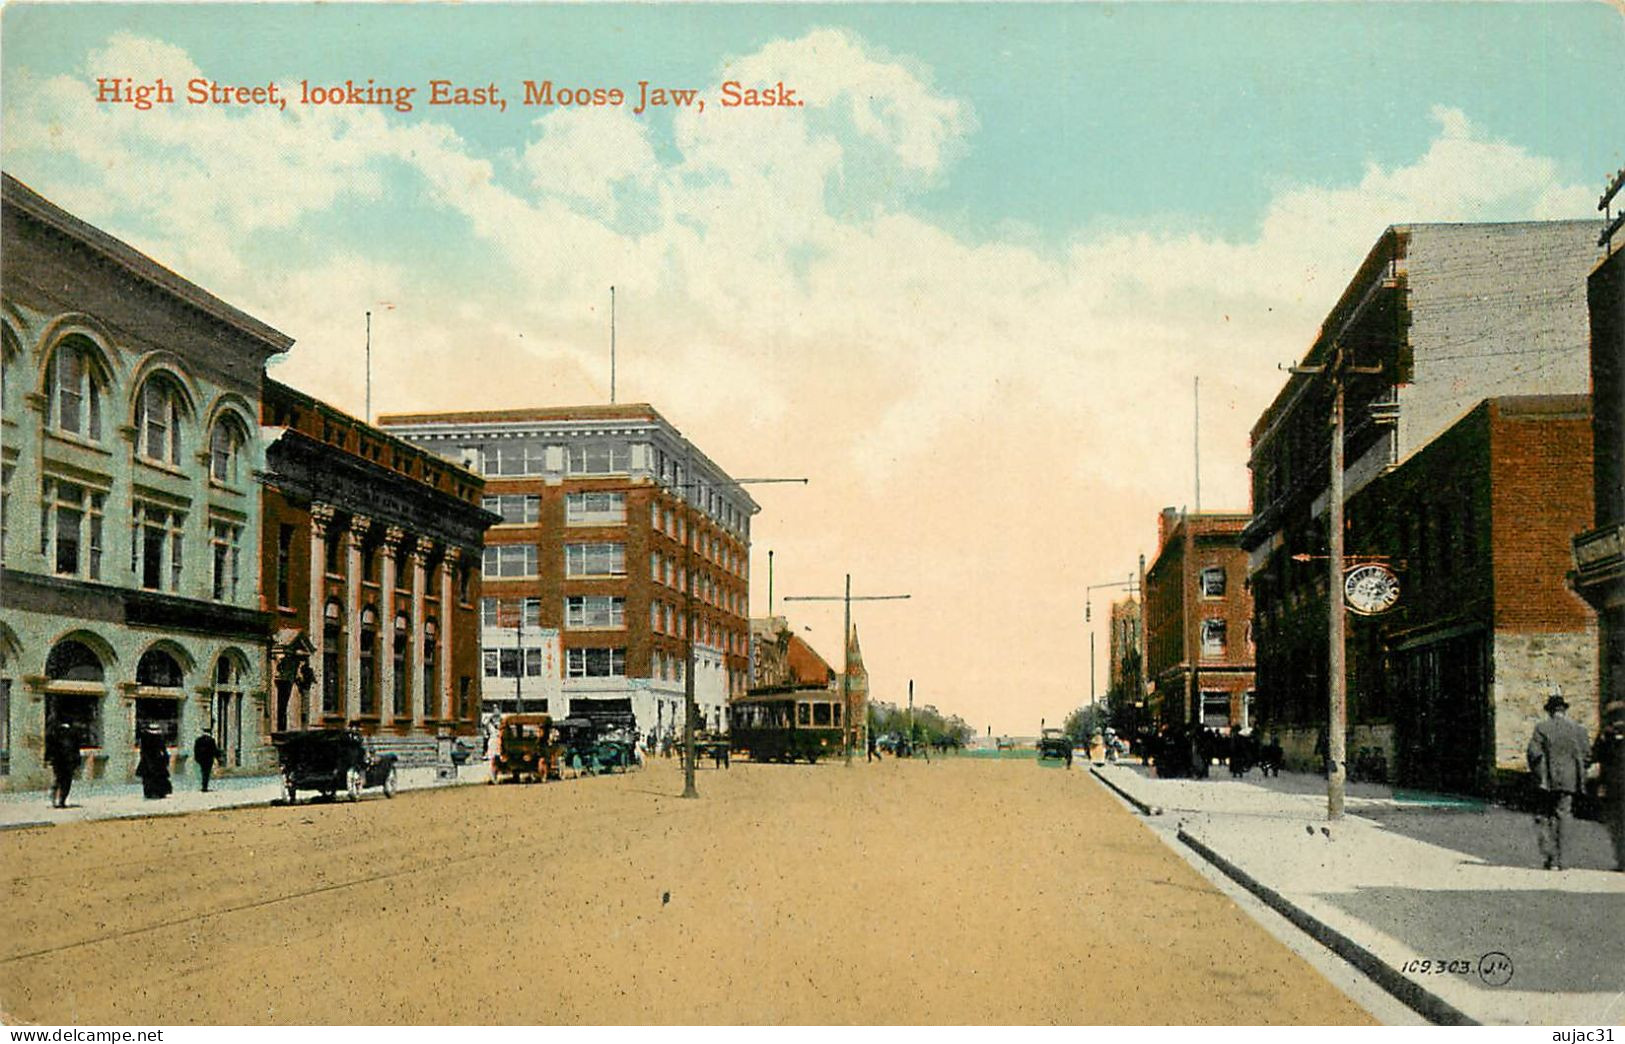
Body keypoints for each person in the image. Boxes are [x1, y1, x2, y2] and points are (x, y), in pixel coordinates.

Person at [1526, 693, 1590, 870]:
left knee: (1544, 817)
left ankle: (1550, 857)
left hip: (1547, 780)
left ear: (1550, 711)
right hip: (1570, 781)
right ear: (1564, 710)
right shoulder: (1578, 729)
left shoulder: (1542, 728)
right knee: (1564, 816)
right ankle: (1563, 860)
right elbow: (1587, 756)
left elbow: (1533, 752)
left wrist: (1537, 772)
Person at [1591, 701, 1625, 873]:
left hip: (1613, 786)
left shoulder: (1606, 734)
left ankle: (1622, 860)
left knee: (1617, 825)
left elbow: (1594, 756)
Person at [45, 722, 81, 809]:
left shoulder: (54, 733)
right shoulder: (73, 734)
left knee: (58, 779)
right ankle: (61, 800)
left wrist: (49, 759)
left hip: (58, 761)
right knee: (66, 781)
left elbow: (50, 748)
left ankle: (54, 797)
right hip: (68, 761)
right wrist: (77, 762)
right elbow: (76, 749)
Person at [136, 725, 172, 800]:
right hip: (156, 763)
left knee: (150, 779)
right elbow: (164, 751)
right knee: (154, 779)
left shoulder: (145, 738)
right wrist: (165, 760)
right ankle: (157, 792)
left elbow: (143, 752)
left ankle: (154, 792)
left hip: (152, 763)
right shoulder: (157, 738)